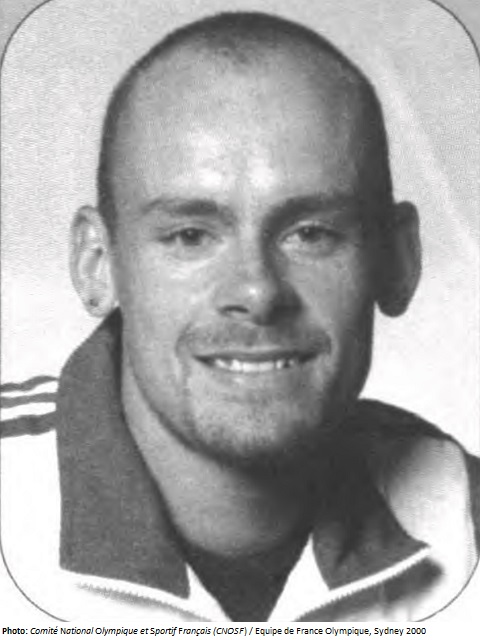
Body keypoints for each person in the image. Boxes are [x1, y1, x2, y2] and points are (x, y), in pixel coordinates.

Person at [1, 11, 479, 622]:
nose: (256, 291)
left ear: (398, 260)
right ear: (98, 264)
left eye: (311, 233)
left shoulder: (465, 515)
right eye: (190, 235)